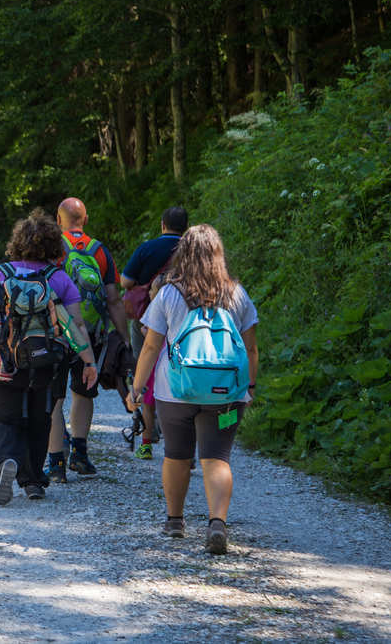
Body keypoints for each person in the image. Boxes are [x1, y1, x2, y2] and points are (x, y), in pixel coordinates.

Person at [127, 224, 258, 555]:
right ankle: (217, 523)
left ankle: (175, 520)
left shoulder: (170, 293)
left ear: (182, 254)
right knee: (217, 458)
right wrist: (250, 386)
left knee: (176, 454)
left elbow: (151, 345)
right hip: (226, 393)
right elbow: (251, 348)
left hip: (176, 391)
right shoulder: (237, 294)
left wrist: (137, 387)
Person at [0, 209, 98, 505]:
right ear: (55, 245)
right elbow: (76, 324)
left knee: (5, 417)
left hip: (3, 360)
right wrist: (88, 361)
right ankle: (34, 482)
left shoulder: (0, 273)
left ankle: (6, 461)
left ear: (18, 242)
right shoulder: (59, 278)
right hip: (46, 362)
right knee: (41, 418)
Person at [45, 197, 132, 482]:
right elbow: (114, 298)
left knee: (54, 398)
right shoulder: (99, 250)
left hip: (57, 331)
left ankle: (56, 463)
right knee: (84, 391)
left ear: (58, 220)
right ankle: (80, 455)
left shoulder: (51, 248)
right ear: (86, 218)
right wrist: (123, 336)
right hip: (90, 333)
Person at [121, 206, 187, 458]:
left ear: (162, 225)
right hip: (183, 321)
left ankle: (147, 440)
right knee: (179, 374)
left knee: (146, 372)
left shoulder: (147, 248)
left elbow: (125, 281)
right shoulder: (193, 251)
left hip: (147, 319)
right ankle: (184, 445)